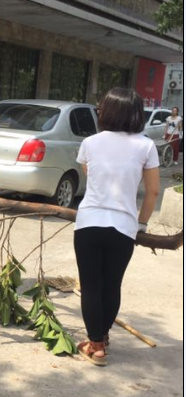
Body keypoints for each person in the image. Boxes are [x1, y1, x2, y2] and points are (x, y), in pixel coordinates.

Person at [74, 88, 160, 366]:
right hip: (124, 227)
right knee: (111, 285)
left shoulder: (90, 142)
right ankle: (104, 336)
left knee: (90, 286)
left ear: (106, 112)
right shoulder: (146, 146)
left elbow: (90, 173)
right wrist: (142, 225)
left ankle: (95, 345)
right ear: (136, 113)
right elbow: (152, 193)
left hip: (89, 223)